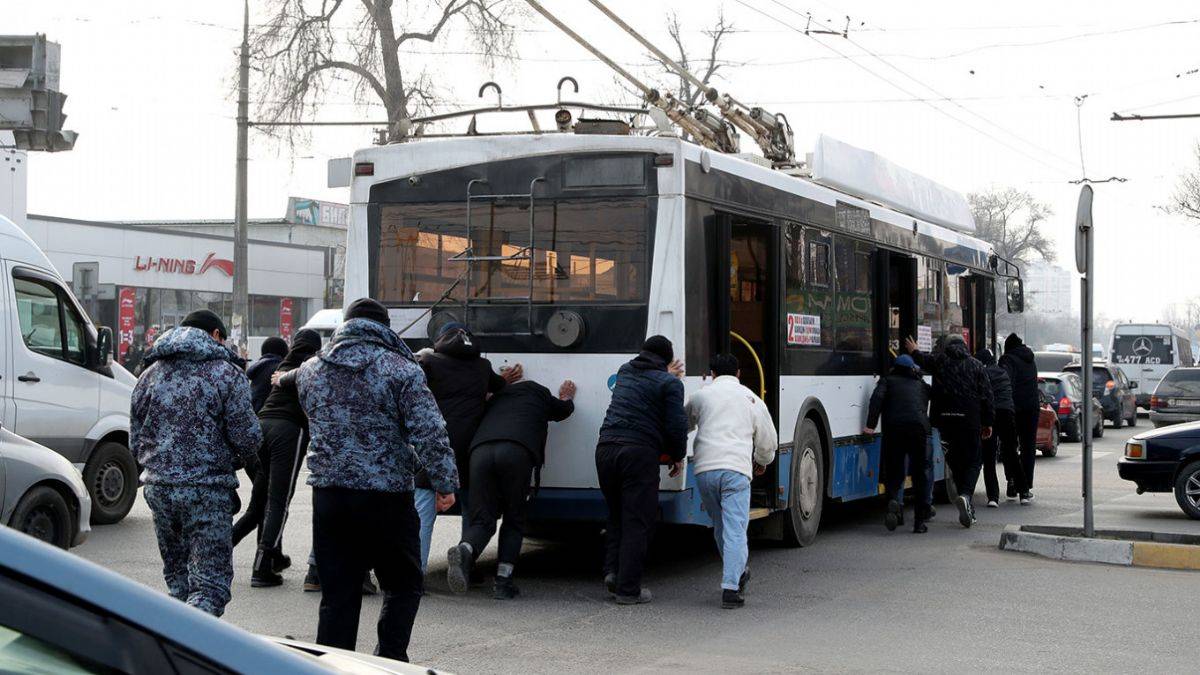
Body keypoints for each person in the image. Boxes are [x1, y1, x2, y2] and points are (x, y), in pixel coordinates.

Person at [295, 298, 458, 662]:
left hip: (329, 496)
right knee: (402, 583)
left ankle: (333, 668)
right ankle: (388, 660)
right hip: (385, 497)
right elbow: (430, 433)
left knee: (338, 592)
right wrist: (444, 483)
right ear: (386, 327)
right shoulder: (401, 369)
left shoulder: (310, 370)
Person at [130, 309, 262, 617]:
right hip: (207, 491)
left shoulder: (149, 375)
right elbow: (248, 437)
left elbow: (135, 439)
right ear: (216, 335)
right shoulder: (226, 373)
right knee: (209, 588)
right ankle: (191, 655)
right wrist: (238, 462)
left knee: (179, 586)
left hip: (159, 489)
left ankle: (169, 649)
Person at [447, 374, 575, 599]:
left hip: (480, 453)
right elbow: (563, 411)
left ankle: (465, 550)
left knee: (482, 519)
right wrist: (566, 398)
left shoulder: (497, 399)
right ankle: (503, 582)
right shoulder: (539, 394)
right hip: (516, 451)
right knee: (514, 519)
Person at [415, 322, 520, 573]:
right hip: (469, 447)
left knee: (423, 511)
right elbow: (500, 386)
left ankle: (413, 573)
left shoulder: (430, 363)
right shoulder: (482, 367)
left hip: (433, 444)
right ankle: (466, 565)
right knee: (470, 507)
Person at [595, 335, 687, 605]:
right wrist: (677, 455)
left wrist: (665, 375)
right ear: (668, 360)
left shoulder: (625, 371)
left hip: (605, 449)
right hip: (637, 453)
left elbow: (647, 382)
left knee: (616, 516)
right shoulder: (670, 383)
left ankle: (612, 573)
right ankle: (628, 590)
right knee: (637, 521)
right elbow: (676, 425)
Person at [231, 329, 322, 587]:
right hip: (288, 431)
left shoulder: (283, 364)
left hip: (262, 426)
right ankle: (262, 567)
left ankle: (220, 552)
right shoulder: (312, 366)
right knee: (279, 502)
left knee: (258, 504)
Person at [684, 354, 776, 609]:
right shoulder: (751, 399)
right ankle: (731, 588)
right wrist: (761, 461)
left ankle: (738, 572)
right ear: (738, 373)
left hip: (705, 471)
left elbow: (683, 424)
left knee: (721, 526)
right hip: (736, 470)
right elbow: (768, 440)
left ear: (712, 374)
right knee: (735, 529)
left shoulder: (701, 396)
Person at [904, 334, 994, 528]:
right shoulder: (977, 365)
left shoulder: (940, 361)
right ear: (964, 346)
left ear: (946, 347)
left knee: (955, 463)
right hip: (970, 421)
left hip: (944, 421)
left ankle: (966, 502)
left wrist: (914, 350)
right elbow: (987, 396)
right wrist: (988, 422)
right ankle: (965, 495)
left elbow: (923, 360)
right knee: (974, 461)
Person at [863, 354, 933, 534]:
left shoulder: (887, 381)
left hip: (894, 430)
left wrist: (870, 425)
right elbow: (932, 396)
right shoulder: (920, 385)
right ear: (912, 369)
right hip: (918, 430)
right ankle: (919, 523)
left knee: (895, 471)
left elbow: (876, 400)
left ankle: (895, 501)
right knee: (919, 475)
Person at [977, 348, 1020, 508]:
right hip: (1007, 414)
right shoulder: (1003, 372)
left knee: (989, 458)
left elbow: (983, 397)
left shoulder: (983, 374)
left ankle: (993, 497)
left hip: (991, 415)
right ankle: (1022, 491)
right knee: (1011, 453)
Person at [999, 333, 1039, 504]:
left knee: (1010, 447)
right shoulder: (1031, 359)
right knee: (1028, 447)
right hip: (1031, 409)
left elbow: (1006, 381)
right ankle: (1026, 486)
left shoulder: (1007, 360)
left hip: (1013, 408)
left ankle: (1012, 482)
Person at [247, 336, 289, 413]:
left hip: (254, 416)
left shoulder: (258, 369)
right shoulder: (279, 370)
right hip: (273, 415)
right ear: (284, 352)